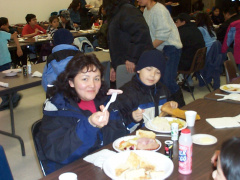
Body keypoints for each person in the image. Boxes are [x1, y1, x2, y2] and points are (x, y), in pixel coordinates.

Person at [37, 53, 129, 175]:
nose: (92, 85)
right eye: (85, 79)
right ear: (71, 82)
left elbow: (119, 135)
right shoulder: (58, 108)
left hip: (109, 166)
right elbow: (58, 152)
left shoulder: (105, 101)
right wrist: (89, 125)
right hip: (75, 171)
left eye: (96, 78)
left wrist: (128, 113)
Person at [117, 49, 178, 132]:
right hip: (138, 138)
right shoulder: (126, 94)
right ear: (138, 69)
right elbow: (119, 126)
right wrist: (132, 118)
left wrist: (172, 106)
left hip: (160, 134)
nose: (153, 75)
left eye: (158, 72)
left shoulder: (163, 89)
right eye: (149, 69)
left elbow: (169, 115)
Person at [138, 0, 185, 107]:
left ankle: (182, 107)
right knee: (162, 81)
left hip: (171, 48)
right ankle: (169, 108)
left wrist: (148, 49)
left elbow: (163, 35)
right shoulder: (146, 10)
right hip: (161, 48)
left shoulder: (159, 9)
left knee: (168, 81)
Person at [103, 0, 153, 81]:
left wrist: (132, 58)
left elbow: (141, 33)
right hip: (124, 63)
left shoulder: (127, 10)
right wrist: (115, 66)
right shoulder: (118, 11)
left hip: (132, 64)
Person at [175, 13, 205, 92]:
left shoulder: (181, 32)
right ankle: (187, 81)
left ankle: (172, 84)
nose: (175, 24)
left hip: (188, 64)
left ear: (183, 22)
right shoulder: (196, 29)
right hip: (198, 63)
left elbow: (176, 46)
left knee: (168, 58)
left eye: (177, 22)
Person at [0, 30, 23, 110]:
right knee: (1, 84)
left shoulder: (2, 34)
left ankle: (14, 97)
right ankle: (6, 100)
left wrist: (19, 48)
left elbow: (14, 36)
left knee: (6, 82)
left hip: (4, 62)